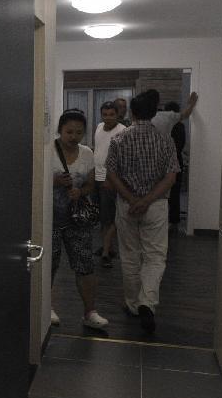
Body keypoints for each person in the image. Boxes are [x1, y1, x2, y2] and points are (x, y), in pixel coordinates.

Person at [105, 92, 180, 334]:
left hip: (127, 205)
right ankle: (148, 302)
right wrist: (147, 200)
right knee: (155, 257)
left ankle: (133, 304)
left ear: (132, 113)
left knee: (129, 256)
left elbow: (112, 175)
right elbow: (171, 177)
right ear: (154, 113)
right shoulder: (165, 140)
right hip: (156, 206)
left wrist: (132, 200)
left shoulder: (119, 140)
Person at [51, 109, 109, 330]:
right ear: (60, 130)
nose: (73, 136)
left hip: (78, 220)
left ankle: (89, 312)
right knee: (50, 266)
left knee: (85, 266)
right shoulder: (49, 151)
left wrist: (80, 192)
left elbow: (91, 184)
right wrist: (53, 181)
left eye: (78, 132)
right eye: (69, 132)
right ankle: (46, 308)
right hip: (51, 221)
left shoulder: (86, 153)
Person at [93, 101, 126, 268]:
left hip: (110, 180)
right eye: (105, 114)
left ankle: (106, 253)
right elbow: (98, 149)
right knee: (102, 216)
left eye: (111, 114)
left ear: (117, 114)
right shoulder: (99, 127)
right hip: (96, 177)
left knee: (110, 218)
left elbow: (122, 159)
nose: (108, 118)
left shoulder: (122, 131)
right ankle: (108, 247)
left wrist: (111, 179)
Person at [165, 102, 188, 227]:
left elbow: (177, 146)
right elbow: (180, 146)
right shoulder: (180, 126)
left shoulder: (168, 126)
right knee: (174, 192)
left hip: (167, 161)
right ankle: (173, 220)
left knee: (168, 192)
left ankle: (170, 219)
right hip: (177, 161)